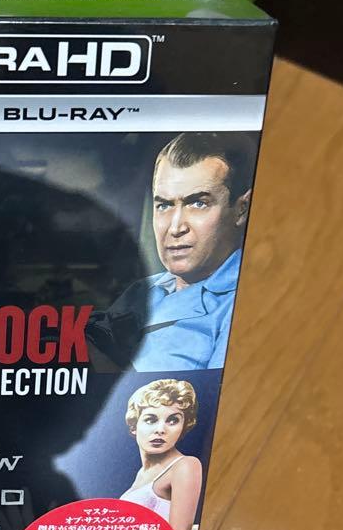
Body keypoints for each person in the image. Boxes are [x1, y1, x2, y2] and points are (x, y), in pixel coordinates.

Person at [93, 132, 255, 372]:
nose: (175, 227)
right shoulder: (143, 290)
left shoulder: (246, 304)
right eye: (164, 205)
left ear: (241, 209)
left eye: (198, 203)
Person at [120, 379, 202, 530]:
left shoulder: (185, 466)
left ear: (184, 426)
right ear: (134, 426)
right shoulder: (142, 473)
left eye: (173, 420)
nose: (160, 430)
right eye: (151, 420)